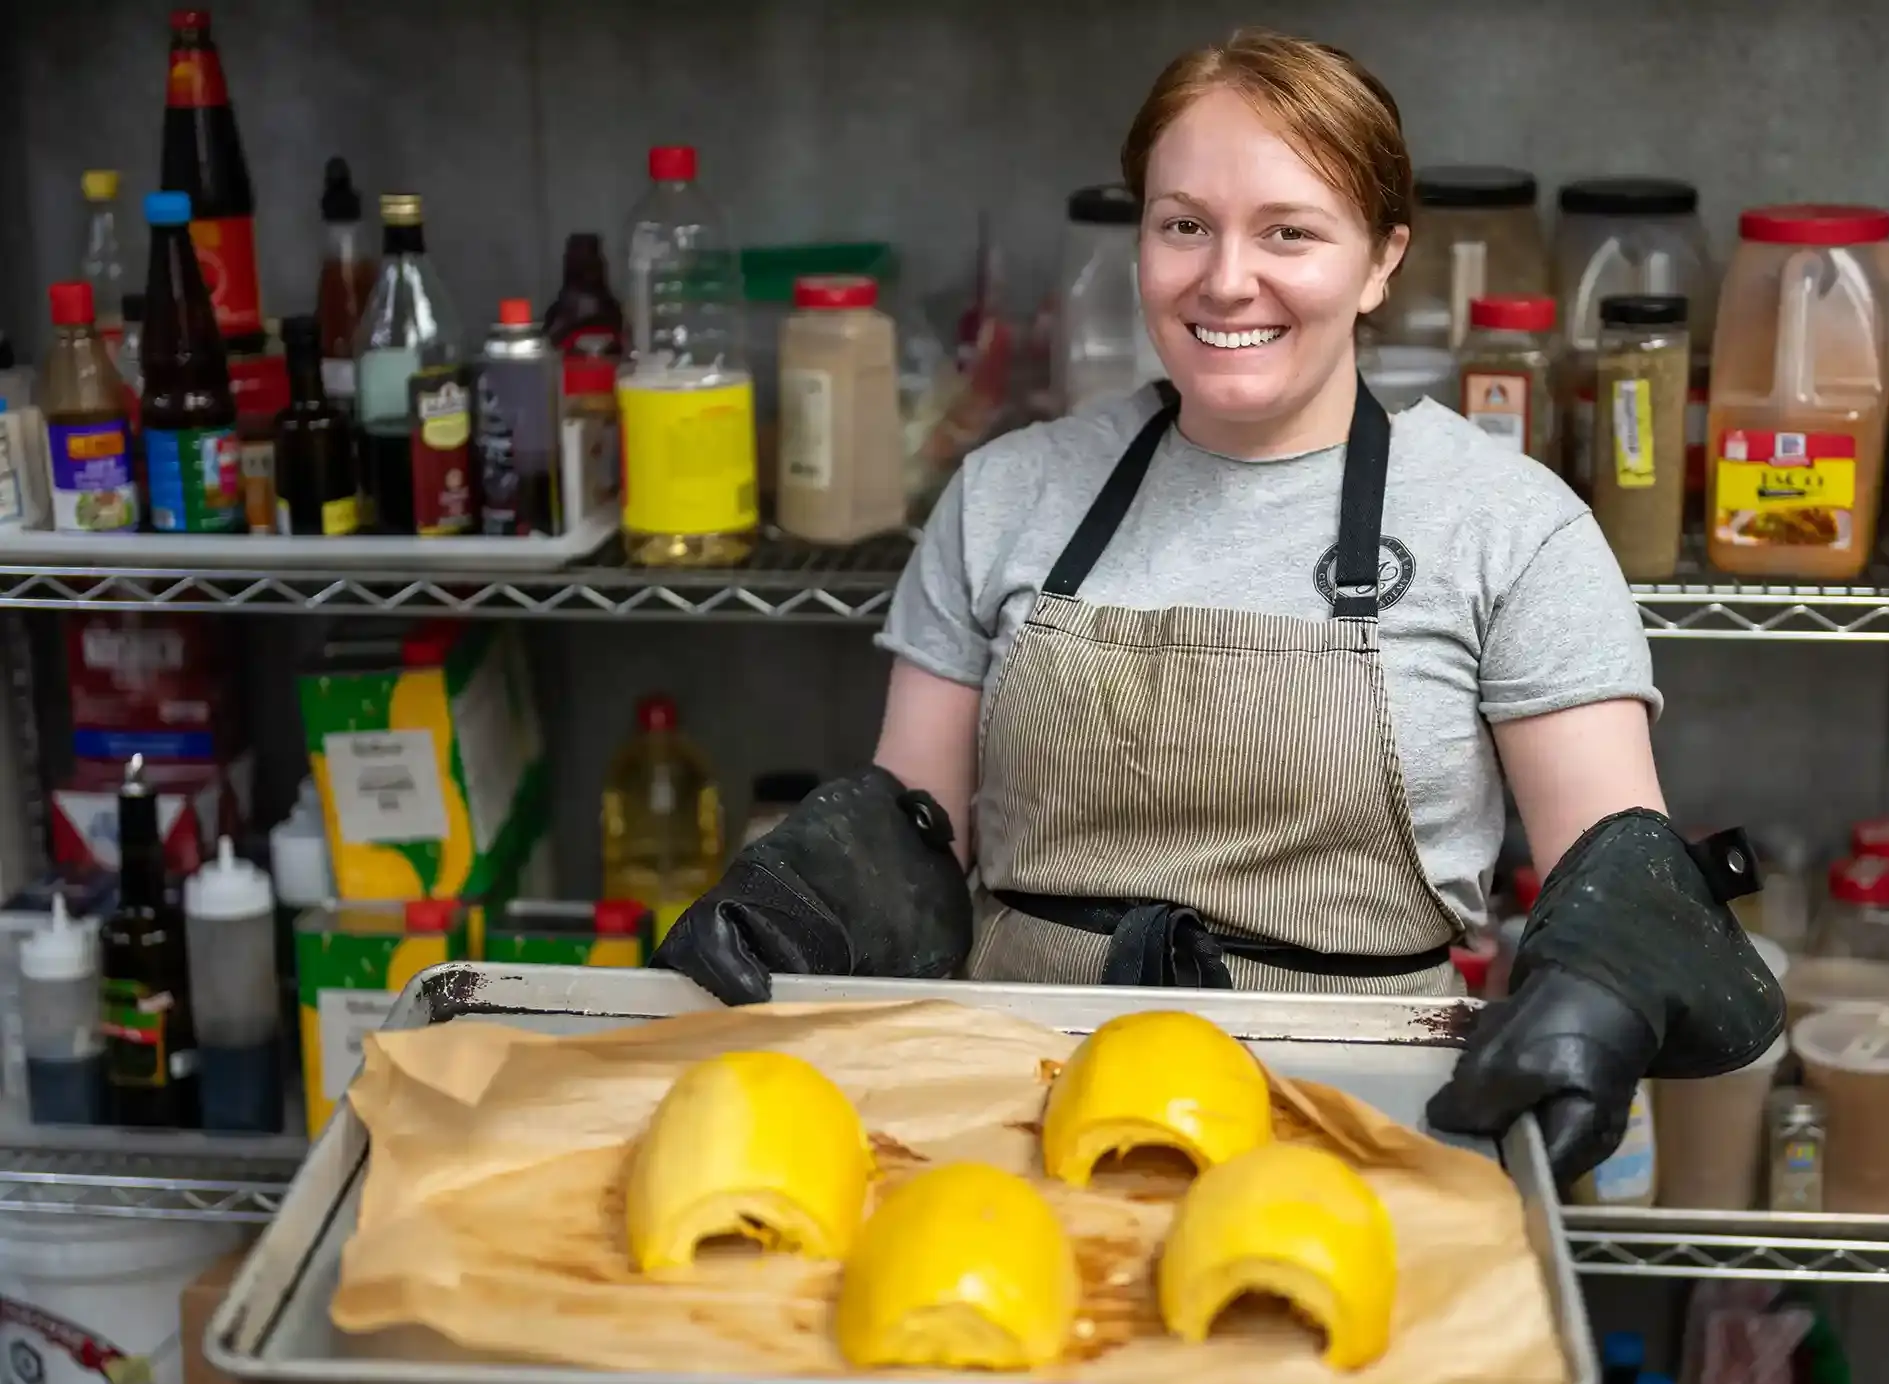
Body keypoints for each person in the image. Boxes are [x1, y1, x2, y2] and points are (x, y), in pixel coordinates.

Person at [655, 28, 1781, 1183]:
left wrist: (1603, 988)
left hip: (1367, 1130)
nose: (1226, 278)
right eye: (1183, 224)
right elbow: (917, 832)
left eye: (1290, 231)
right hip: (1011, 1116)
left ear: (1384, 259)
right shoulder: (1010, 493)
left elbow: (1616, 865)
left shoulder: (1507, 525)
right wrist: (807, 902)